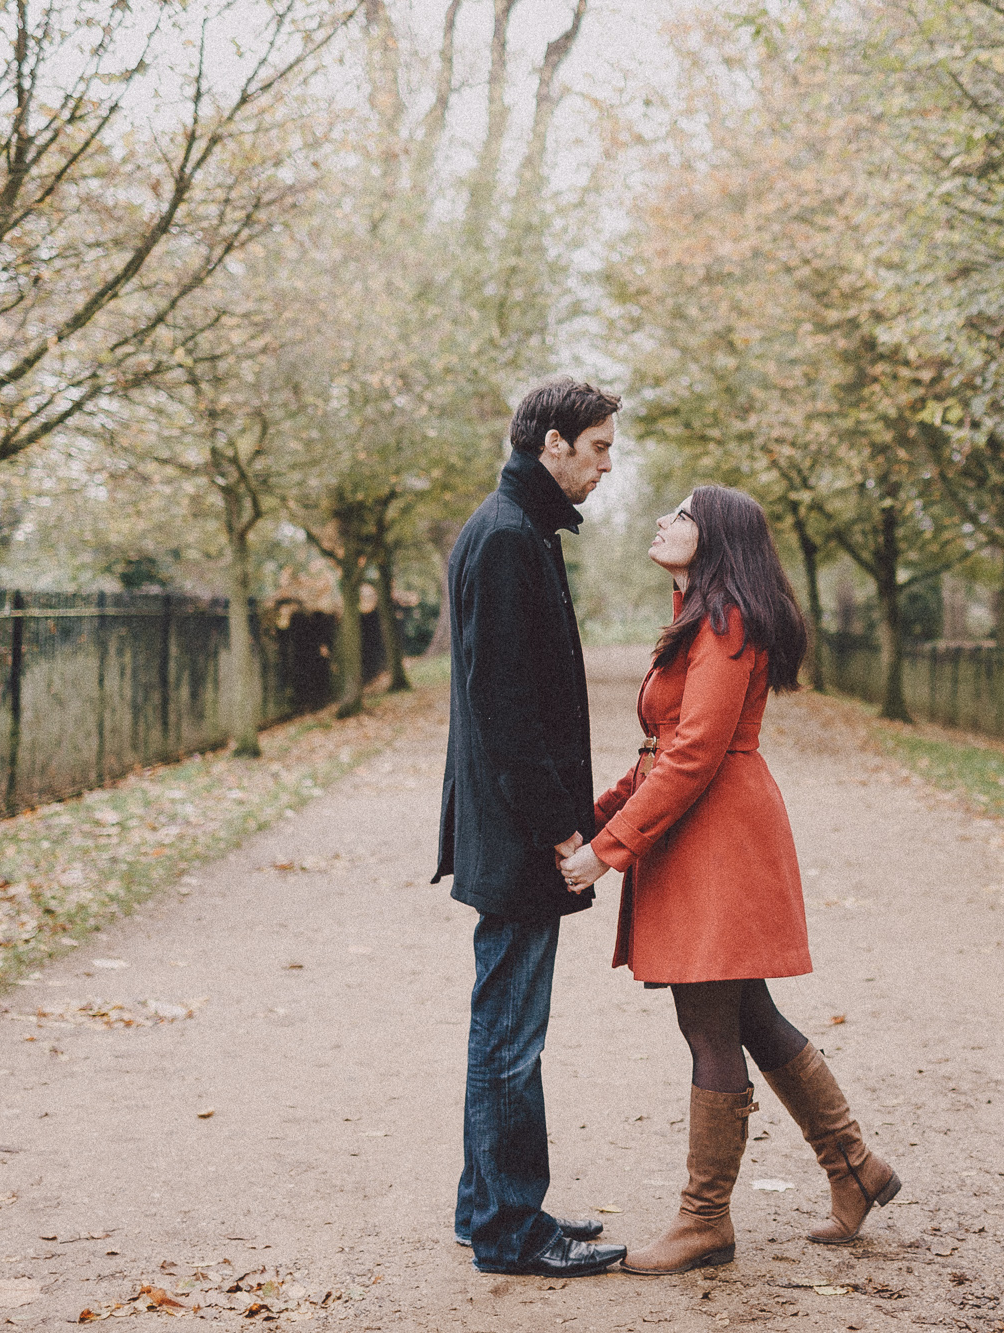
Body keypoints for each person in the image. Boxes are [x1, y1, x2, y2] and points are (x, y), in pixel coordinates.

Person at [559, 484, 902, 1275]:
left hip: (717, 838)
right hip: (705, 829)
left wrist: (606, 850)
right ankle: (854, 1165)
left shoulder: (727, 622)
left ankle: (704, 1220)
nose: (661, 519)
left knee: (710, 1027)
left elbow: (694, 754)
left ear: (715, 537)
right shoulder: (702, 618)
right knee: (749, 1013)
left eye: (679, 514)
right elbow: (663, 747)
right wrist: (597, 812)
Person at [432, 376, 628, 1278]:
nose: (606, 465)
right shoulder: (511, 538)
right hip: (518, 835)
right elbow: (506, 705)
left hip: (503, 826)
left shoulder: (511, 525)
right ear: (553, 443)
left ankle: (489, 1209)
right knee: (513, 1034)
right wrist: (562, 832)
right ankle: (513, 1230)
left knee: (498, 1024)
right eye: (597, 449)